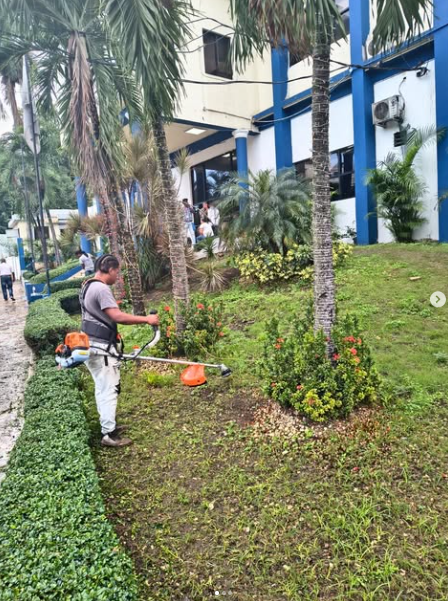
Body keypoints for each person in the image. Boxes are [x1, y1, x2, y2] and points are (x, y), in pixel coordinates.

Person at [80, 254, 159, 447]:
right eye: (117, 272)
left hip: (90, 345)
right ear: (109, 269)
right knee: (109, 389)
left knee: (102, 387)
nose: (118, 276)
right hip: (101, 349)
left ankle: (108, 426)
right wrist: (146, 320)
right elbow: (117, 316)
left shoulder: (87, 285)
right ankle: (109, 435)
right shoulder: (101, 288)